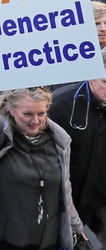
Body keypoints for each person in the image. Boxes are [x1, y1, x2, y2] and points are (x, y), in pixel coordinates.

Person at [0, 52, 85, 249]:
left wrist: (76, 225)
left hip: (45, 238)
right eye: (27, 114)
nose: (35, 121)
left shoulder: (59, 141)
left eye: (41, 113)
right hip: (0, 237)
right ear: (11, 109)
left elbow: (64, 189)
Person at [48, 50, 106, 233]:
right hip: (59, 201)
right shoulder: (60, 103)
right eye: (105, 82)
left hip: (97, 206)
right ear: (91, 77)